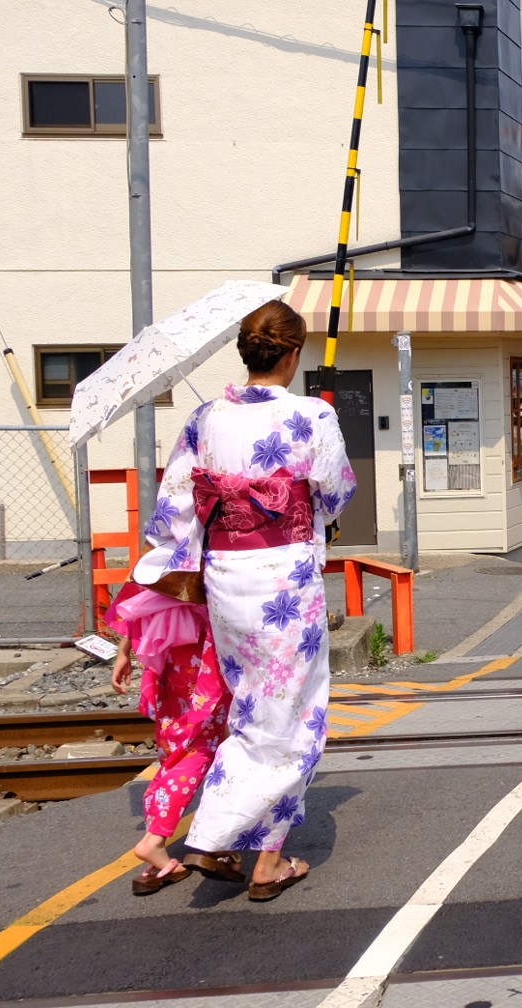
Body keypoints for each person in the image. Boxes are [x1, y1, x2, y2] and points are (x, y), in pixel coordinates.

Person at [133, 300, 358, 902]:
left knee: (254, 709)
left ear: (247, 352)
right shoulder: (313, 415)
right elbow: (335, 494)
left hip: (226, 573)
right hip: (284, 574)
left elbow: (175, 504)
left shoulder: (206, 418)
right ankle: (236, 846)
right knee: (294, 714)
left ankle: (248, 845)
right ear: (293, 353)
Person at [105, 582, 229, 895]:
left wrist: (125, 651)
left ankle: (160, 830)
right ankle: (155, 839)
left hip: (166, 645)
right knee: (199, 747)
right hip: (201, 644)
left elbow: (140, 585)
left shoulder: (160, 538)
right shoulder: (205, 534)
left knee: (175, 741)